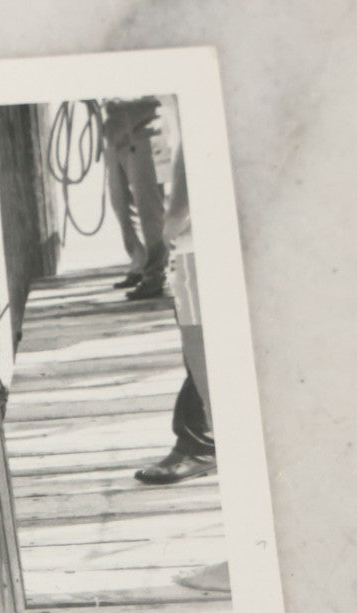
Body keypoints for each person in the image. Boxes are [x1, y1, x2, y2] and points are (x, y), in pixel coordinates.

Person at [135, 131, 215, 486]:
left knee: (200, 345)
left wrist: (177, 215)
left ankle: (202, 442)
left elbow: (194, 137)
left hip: (197, 240)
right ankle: (202, 437)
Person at [101, 97, 169, 300]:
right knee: (120, 203)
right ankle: (139, 262)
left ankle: (155, 275)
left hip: (144, 130)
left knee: (149, 206)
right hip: (116, 134)